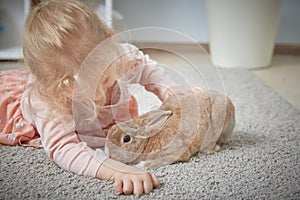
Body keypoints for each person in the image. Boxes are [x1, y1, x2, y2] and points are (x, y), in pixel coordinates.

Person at [0, 0, 201, 195]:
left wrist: (172, 92)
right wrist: (116, 170)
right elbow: (65, 148)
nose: (96, 94)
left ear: (111, 41)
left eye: (103, 78)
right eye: (78, 91)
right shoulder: (45, 98)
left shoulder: (117, 55)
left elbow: (146, 68)